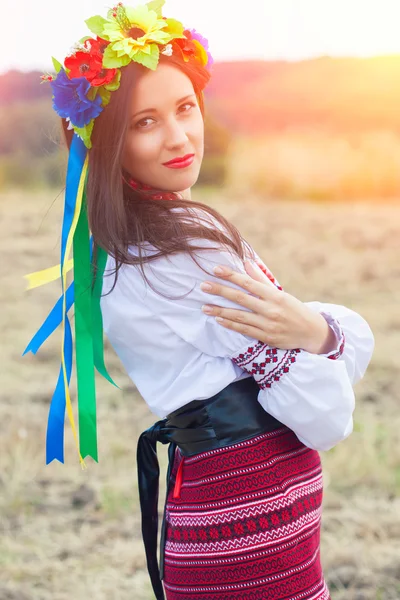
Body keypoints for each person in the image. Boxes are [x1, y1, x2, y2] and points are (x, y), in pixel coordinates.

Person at [24, 2, 375, 598]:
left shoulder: (120, 244)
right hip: (249, 530)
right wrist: (322, 334)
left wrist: (314, 328)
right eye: (145, 122)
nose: (179, 136)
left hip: (226, 518)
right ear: (109, 141)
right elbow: (325, 418)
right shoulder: (189, 249)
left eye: (185, 108)